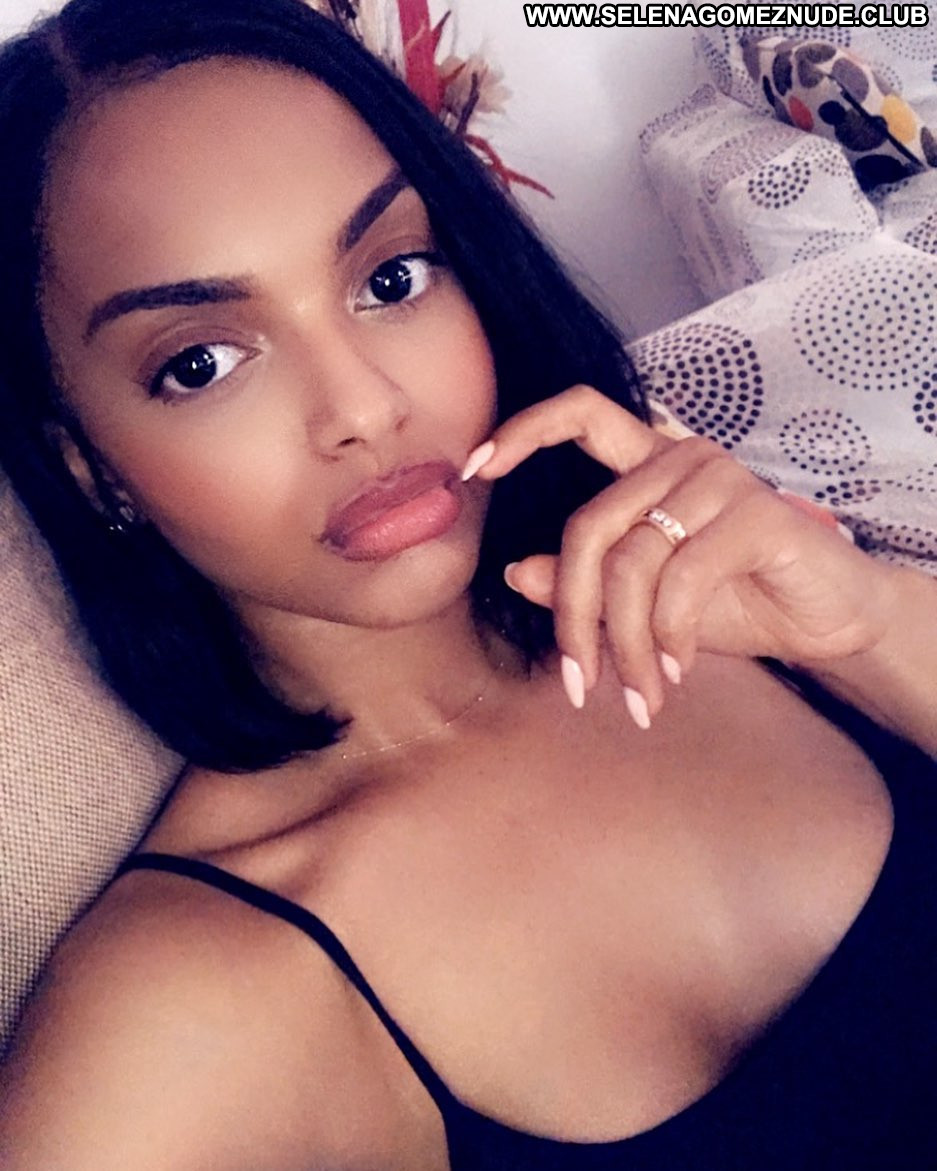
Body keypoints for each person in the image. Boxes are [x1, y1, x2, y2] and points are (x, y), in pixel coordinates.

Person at [0, 1, 935, 1167]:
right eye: (201, 362)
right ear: (91, 469)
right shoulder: (205, 989)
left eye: (391, 277)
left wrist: (868, 623)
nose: (364, 407)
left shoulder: (744, 593)